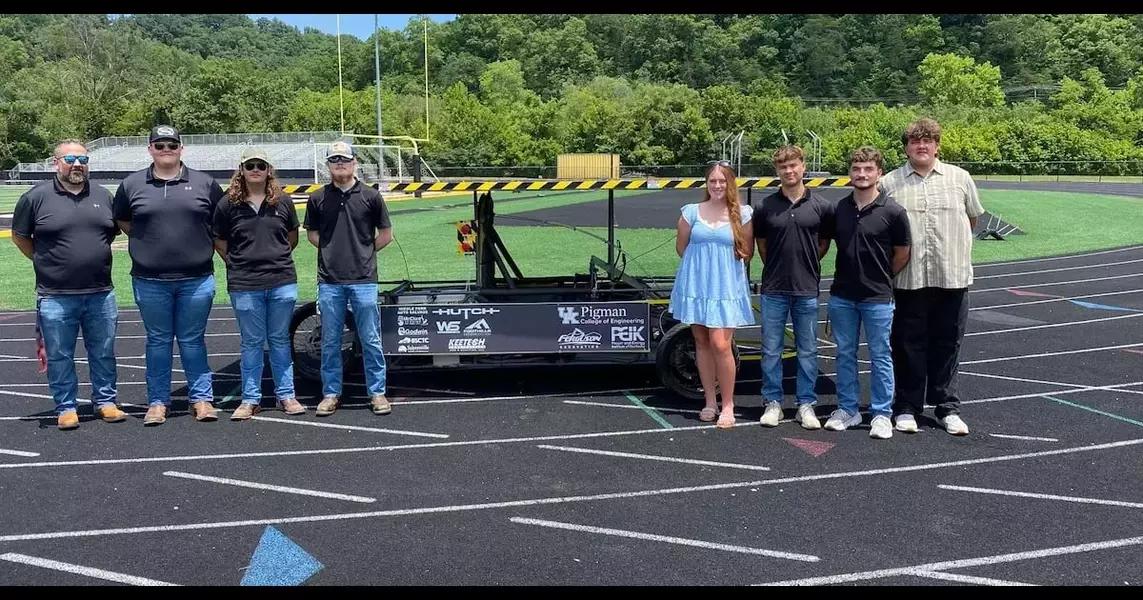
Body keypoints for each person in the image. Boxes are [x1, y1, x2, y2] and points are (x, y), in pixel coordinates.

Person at [113, 125, 225, 426]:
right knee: (158, 341)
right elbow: (122, 219)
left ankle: (202, 400)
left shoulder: (205, 183)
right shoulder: (132, 184)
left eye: (171, 145)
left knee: (193, 341)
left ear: (181, 148)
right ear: (150, 148)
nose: (166, 150)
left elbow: (220, 222)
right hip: (150, 280)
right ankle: (158, 402)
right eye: (160, 145)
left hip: (197, 278)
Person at [880, 117, 985, 436]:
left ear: (937, 145)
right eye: (915, 141)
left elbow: (972, 221)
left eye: (928, 141)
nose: (921, 146)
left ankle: (946, 408)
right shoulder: (890, 183)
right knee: (907, 345)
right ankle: (907, 407)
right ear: (907, 147)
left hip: (951, 277)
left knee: (948, 344)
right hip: (910, 280)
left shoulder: (960, 178)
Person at [11, 140, 125, 430]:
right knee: (60, 354)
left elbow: (108, 235)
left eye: (83, 159)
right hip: (55, 295)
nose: (77, 164)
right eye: (70, 158)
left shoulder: (103, 195)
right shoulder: (35, 197)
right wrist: (46, 261)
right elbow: (21, 237)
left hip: (100, 291)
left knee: (103, 351)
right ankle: (66, 406)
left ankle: (106, 402)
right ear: (56, 163)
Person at [822, 147, 911, 440]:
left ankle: (882, 414)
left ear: (879, 173)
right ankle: (848, 409)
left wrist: (881, 277)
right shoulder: (840, 209)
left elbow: (902, 253)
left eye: (868, 169)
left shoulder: (894, 211)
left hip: (877, 298)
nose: (862, 174)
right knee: (844, 354)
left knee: (880, 356)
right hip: (842, 296)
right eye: (857, 169)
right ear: (850, 173)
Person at [212, 147, 306, 420]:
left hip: (281, 281)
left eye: (260, 165)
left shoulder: (283, 202)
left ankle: (286, 395)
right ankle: (250, 399)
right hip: (244, 283)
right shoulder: (227, 203)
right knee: (251, 342)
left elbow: (291, 238)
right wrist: (237, 262)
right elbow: (219, 239)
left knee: (278, 340)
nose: (255, 169)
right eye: (250, 165)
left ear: (269, 171)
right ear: (241, 170)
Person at [303, 141, 393, 417]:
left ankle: (377, 393)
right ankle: (331, 394)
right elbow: (312, 235)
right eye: (334, 159)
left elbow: (386, 234)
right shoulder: (318, 198)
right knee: (330, 341)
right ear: (328, 165)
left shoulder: (371, 196)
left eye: (344, 158)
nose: (339, 163)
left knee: (371, 339)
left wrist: (363, 254)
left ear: (354, 162)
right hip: (330, 281)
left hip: (364, 280)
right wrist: (332, 254)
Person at [668, 161, 755, 429]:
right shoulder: (691, 212)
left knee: (721, 344)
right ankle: (709, 401)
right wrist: (702, 269)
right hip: (697, 285)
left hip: (725, 286)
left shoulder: (743, 214)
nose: (717, 186)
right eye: (712, 181)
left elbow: (747, 251)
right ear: (706, 184)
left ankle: (728, 404)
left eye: (722, 181)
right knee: (701, 342)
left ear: (731, 183)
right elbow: (682, 248)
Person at [753, 145, 833, 430]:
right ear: (777, 171)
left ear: (803, 166)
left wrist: (805, 263)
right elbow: (762, 246)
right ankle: (772, 402)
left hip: (806, 288)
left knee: (808, 350)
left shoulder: (822, 206)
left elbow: (822, 244)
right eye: (783, 167)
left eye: (793, 166)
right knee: (771, 349)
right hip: (774, 288)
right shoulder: (765, 207)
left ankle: (805, 404)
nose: (789, 171)